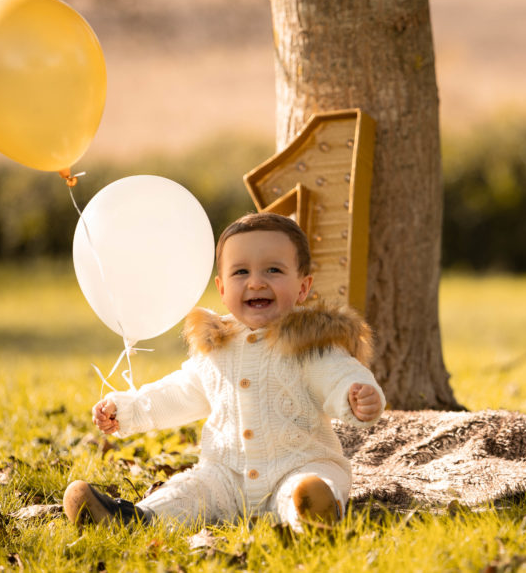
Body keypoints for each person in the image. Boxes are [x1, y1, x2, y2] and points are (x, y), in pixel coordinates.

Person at [63, 211, 385, 530]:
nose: (256, 282)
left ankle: (313, 514)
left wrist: (354, 395)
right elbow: (179, 392)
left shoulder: (313, 342)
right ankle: (133, 518)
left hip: (297, 464)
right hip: (227, 475)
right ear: (221, 288)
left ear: (303, 287)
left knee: (306, 486)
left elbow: (338, 375)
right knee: (189, 490)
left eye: (273, 270)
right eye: (241, 272)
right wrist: (127, 409)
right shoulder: (217, 348)